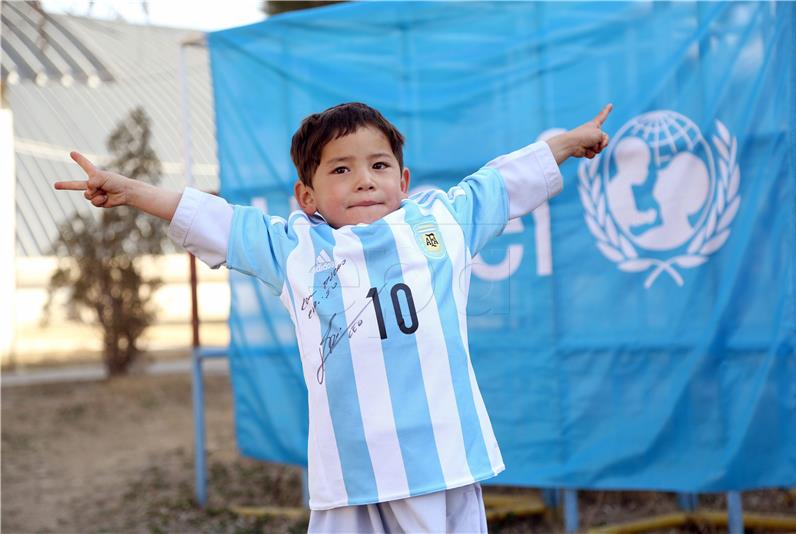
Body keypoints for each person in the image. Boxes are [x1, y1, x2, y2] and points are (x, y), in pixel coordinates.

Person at [56, 102, 611, 533]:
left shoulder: (440, 223)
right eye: (341, 169)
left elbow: (500, 183)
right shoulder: (293, 248)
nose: (365, 179)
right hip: (349, 476)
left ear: (404, 180)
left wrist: (566, 143)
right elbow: (215, 218)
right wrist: (130, 191)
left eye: (379, 165)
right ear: (307, 195)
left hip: (440, 465)